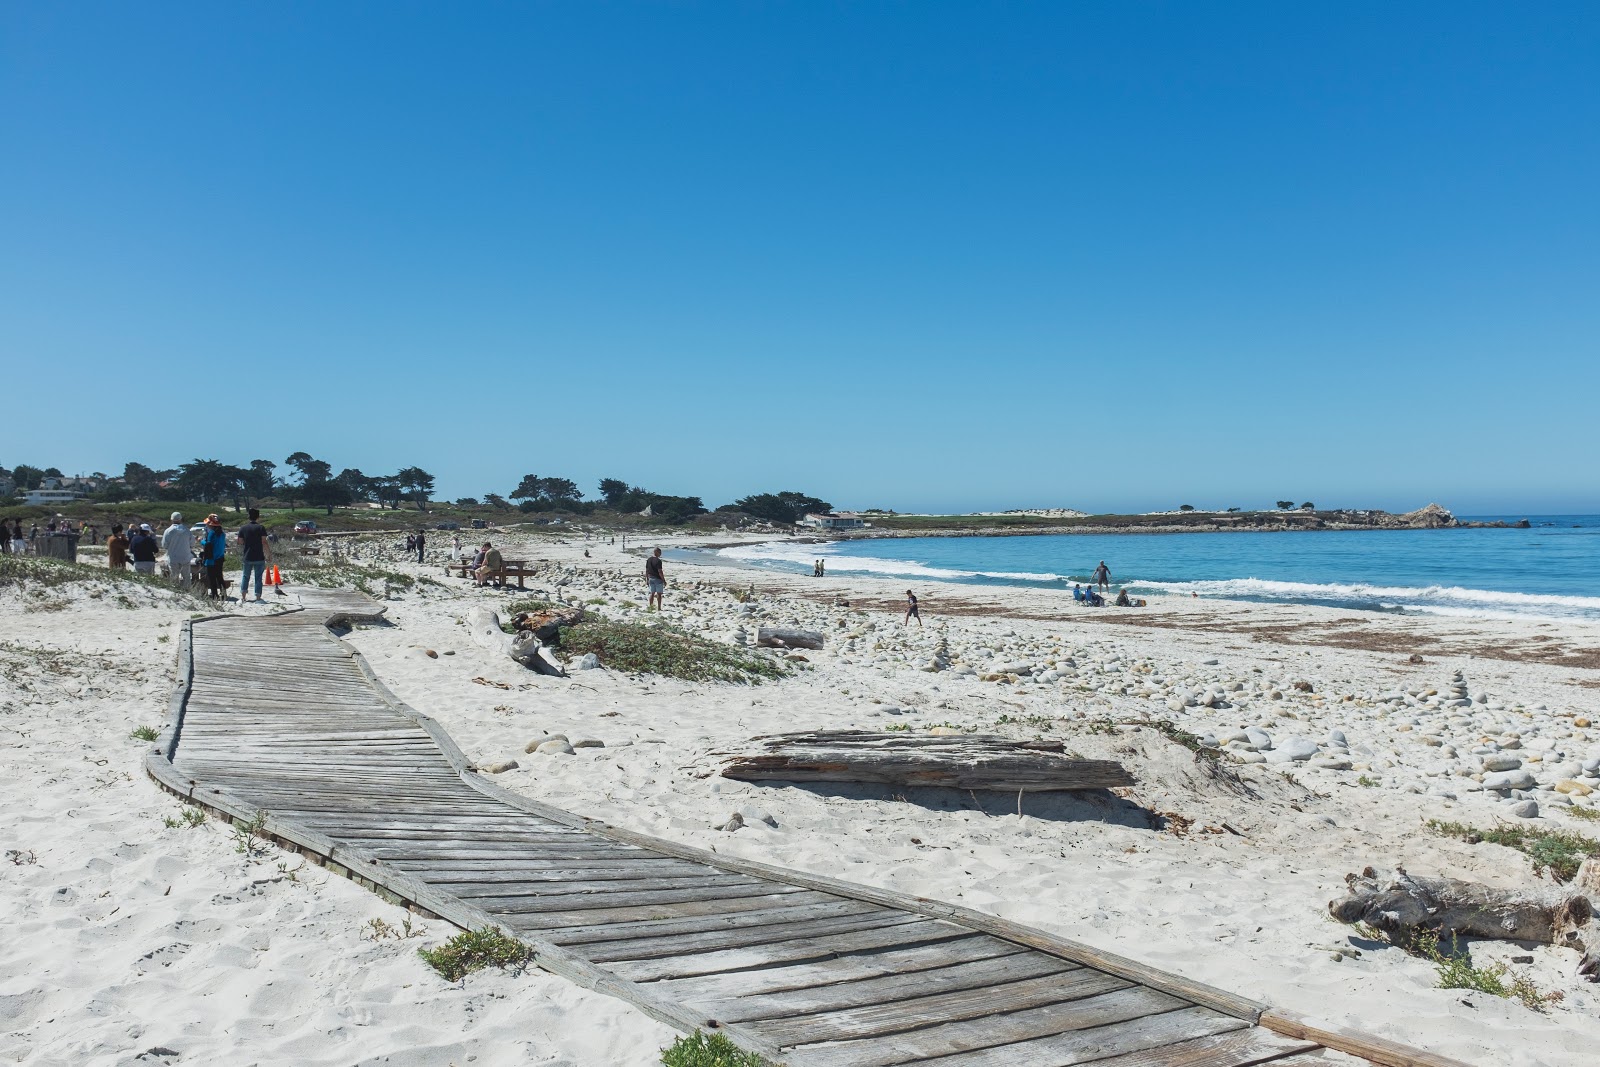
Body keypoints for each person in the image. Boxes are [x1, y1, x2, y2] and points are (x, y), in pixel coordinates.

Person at [236, 508, 270, 602]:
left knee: (245, 576)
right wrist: (268, 554)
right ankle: (258, 597)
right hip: (259, 556)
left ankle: (243, 597)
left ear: (248, 516)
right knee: (258, 577)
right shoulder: (261, 528)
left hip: (247, 555)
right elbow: (264, 542)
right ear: (258, 517)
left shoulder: (243, 528)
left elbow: (239, 541)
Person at [162, 512, 193, 589]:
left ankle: (176, 593)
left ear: (171, 519)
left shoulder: (168, 531)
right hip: (185, 557)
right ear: (181, 519)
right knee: (186, 578)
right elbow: (192, 543)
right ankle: (188, 594)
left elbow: (164, 545)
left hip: (173, 558)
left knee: (174, 578)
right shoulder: (187, 530)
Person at [200, 514, 227, 600]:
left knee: (212, 578)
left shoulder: (211, 533)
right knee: (219, 577)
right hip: (220, 558)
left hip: (211, 559)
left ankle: (215, 595)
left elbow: (208, 544)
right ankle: (223, 595)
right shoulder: (222, 534)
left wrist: (201, 541)